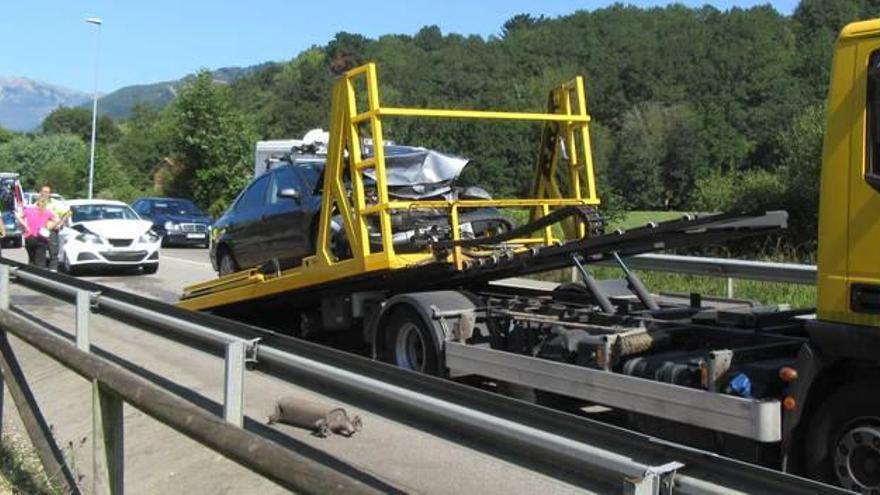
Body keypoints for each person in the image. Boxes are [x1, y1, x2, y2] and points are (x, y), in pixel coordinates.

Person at [16, 198, 58, 268]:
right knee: (40, 260)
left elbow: (18, 216)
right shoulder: (47, 212)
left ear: (36, 203)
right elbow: (56, 220)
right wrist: (49, 227)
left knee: (31, 259)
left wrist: (25, 225)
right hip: (41, 237)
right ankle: (39, 276)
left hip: (29, 236)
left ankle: (30, 275)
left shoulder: (29, 210)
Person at [39, 184, 70, 271]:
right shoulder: (37, 204)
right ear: (40, 192)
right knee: (40, 252)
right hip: (40, 231)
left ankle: (53, 272)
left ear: (50, 194)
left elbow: (67, 212)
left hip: (52, 231)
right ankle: (41, 272)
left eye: (47, 192)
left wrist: (61, 223)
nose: (45, 194)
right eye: (44, 192)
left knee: (53, 252)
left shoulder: (55, 203)